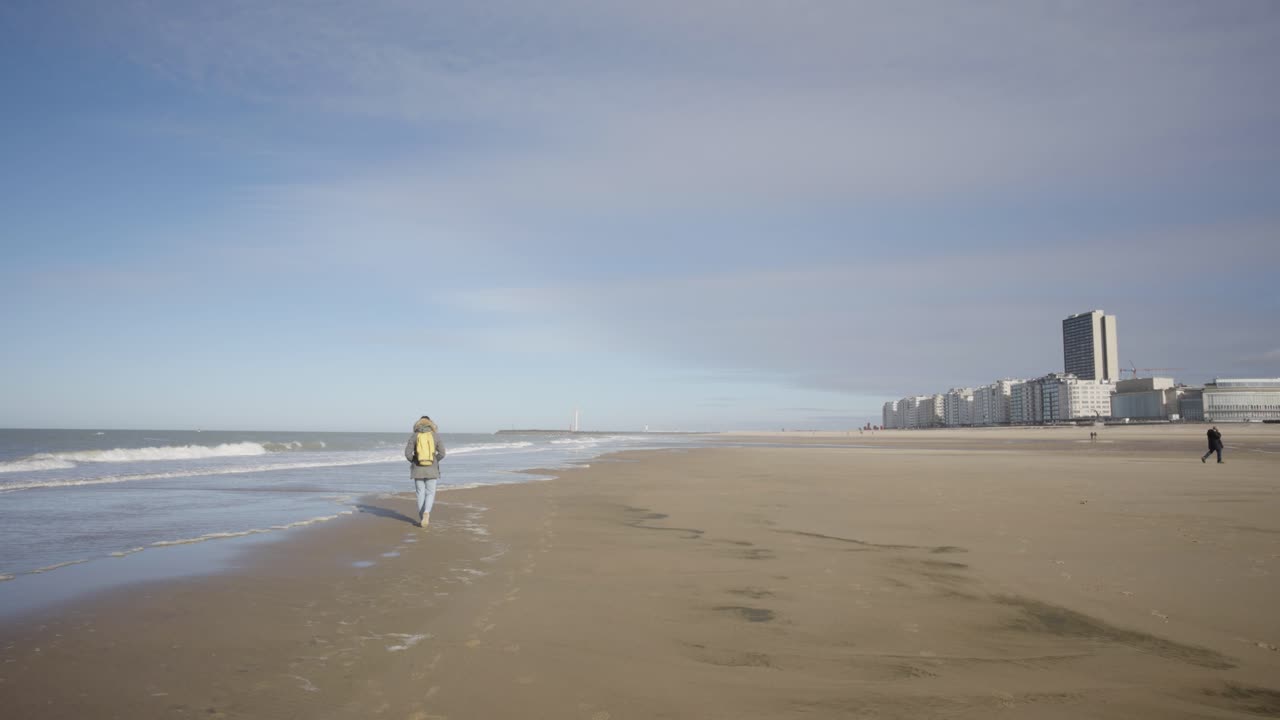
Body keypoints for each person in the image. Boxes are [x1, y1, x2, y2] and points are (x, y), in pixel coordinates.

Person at [404, 415, 446, 528]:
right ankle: (426, 513)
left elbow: (407, 454)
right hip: (432, 469)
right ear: (431, 423)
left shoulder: (414, 436)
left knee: (420, 493)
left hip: (418, 470)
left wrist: (415, 461)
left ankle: (422, 516)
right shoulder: (435, 436)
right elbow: (442, 453)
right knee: (430, 493)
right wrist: (434, 461)